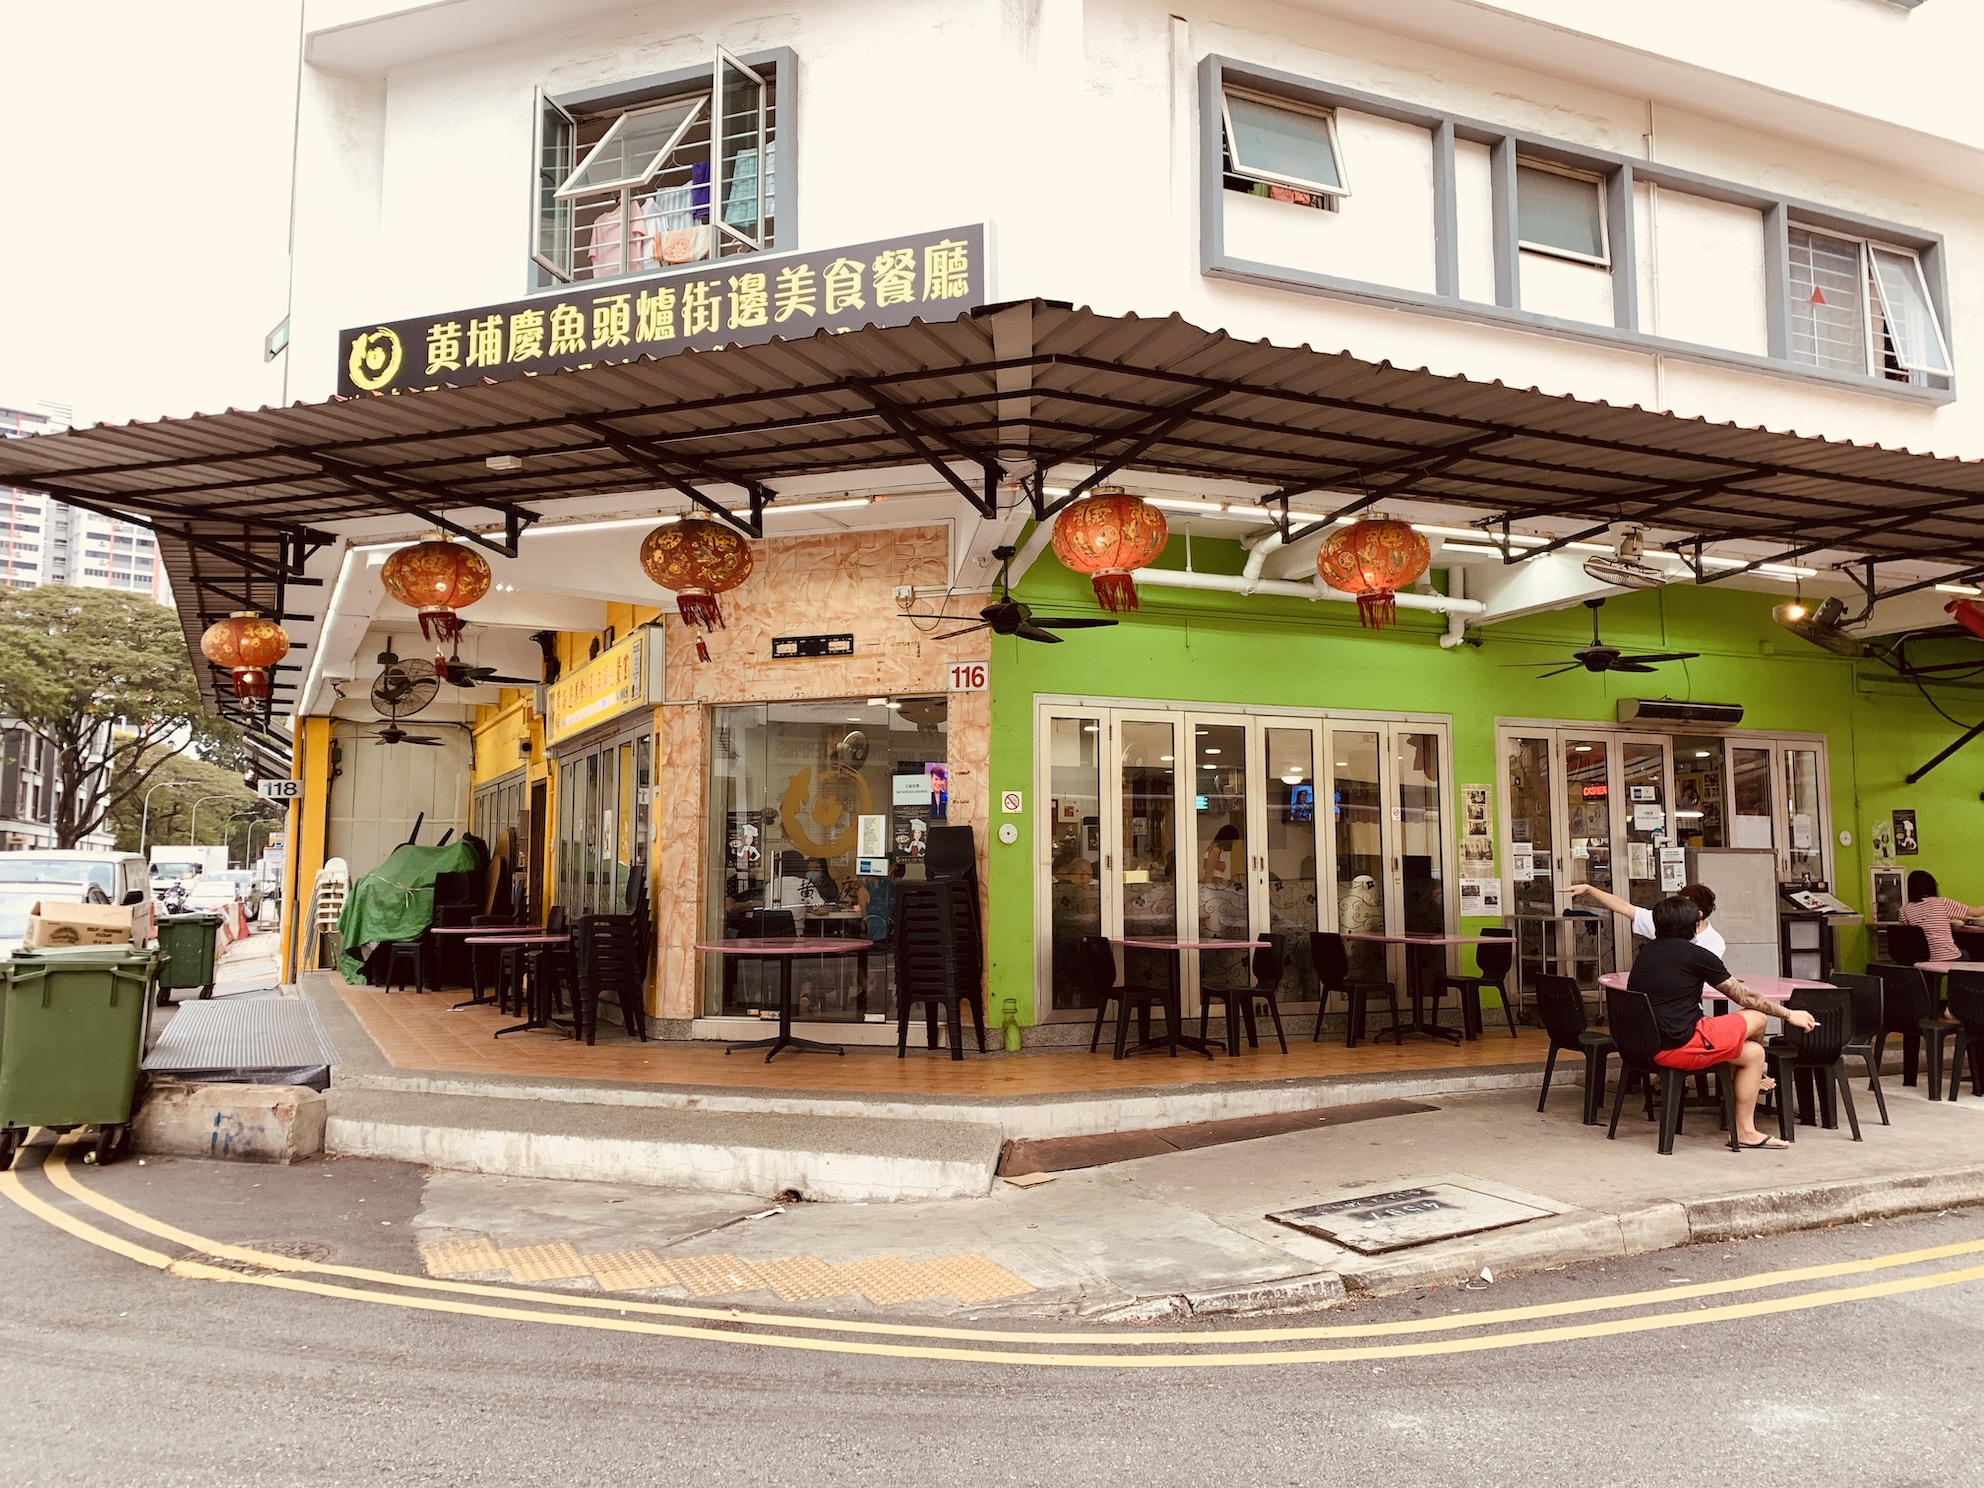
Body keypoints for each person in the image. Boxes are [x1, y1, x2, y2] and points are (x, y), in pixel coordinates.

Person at [1627, 895, 1814, 1150]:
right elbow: (1746, 997)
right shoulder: (1697, 955)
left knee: (1754, 1053)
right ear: (1693, 927)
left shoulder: (1646, 953)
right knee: (1758, 1017)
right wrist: (1790, 1015)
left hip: (1643, 1047)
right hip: (1680, 1044)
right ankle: (1751, 1102)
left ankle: (1747, 1122)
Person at [1570, 880, 1725, 957]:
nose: (1674, 907)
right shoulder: (1665, 922)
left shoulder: (1714, 942)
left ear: (1698, 914)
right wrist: (1589, 890)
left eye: (1682, 905)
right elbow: (1623, 907)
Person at [1899, 870, 1984, 963]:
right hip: (1948, 956)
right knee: (1966, 954)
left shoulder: (1903, 910)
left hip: (1922, 958)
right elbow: (1977, 912)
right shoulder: (1941, 902)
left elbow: (1908, 935)